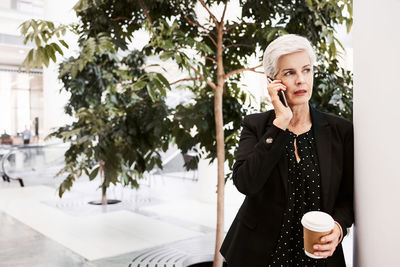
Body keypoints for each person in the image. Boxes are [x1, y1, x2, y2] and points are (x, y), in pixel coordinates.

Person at [220, 34, 353, 267]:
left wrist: (339, 227)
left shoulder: (340, 131)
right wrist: (280, 123)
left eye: (307, 70)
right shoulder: (256, 126)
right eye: (290, 73)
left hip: (317, 256)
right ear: (273, 81)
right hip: (257, 255)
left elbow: (350, 196)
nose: (301, 80)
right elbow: (245, 183)